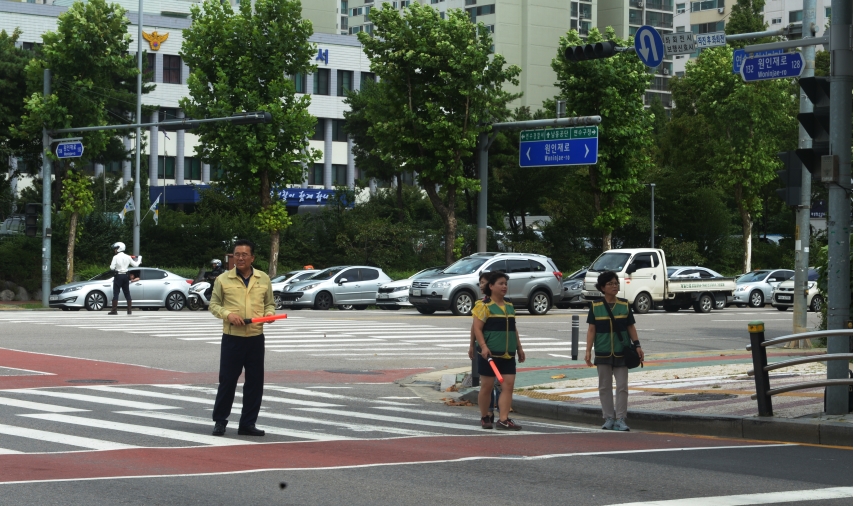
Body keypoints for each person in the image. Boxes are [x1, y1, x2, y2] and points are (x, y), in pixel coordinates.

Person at [209, 239, 275, 437]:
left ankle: (247, 423)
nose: (240, 258)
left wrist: (270, 314)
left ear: (252, 257)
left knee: (255, 382)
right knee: (228, 380)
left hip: (255, 337)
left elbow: (270, 304)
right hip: (232, 338)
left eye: (244, 254)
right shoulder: (223, 279)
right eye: (237, 254)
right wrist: (228, 314)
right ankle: (220, 421)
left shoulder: (263, 279)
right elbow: (214, 305)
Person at [584, 270, 644, 432]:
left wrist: (637, 345)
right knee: (604, 387)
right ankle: (609, 418)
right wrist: (588, 351)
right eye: (610, 283)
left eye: (616, 283)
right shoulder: (595, 306)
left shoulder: (624, 305)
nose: (614, 286)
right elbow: (591, 330)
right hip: (603, 351)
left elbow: (630, 326)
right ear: (602, 287)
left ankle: (621, 418)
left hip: (621, 351)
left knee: (622, 386)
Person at [472, 271, 526, 431]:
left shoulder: (509, 305)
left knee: (508, 385)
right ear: (491, 286)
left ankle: (503, 419)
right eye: (501, 283)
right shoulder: (483, 306)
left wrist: (519, 347)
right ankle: (484, 416)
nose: (504, 286)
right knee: (487, 386)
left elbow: (513, 329)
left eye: (505, 284)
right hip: (489, 355)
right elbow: (477, 328)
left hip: (508, 354)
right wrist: (483, 346)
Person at [469, 271, 498, 428]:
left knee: (500, 383)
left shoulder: (505, 303)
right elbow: (475, 327)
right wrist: (472, 345)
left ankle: (499, 413)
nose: (481, 286)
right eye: (479, 282)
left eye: (483, 282)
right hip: (485, 350)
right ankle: (486, 413)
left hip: (503, 351)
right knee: (488, 383)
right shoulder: (481, 304)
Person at [108, 242, 141, 315]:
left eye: (116, 248)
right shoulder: (128, 257)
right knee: (127, 293)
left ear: (119, 248)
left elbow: (112, 267)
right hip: (126, 276)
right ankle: (129, 311)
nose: (115, 250)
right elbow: (135, 265)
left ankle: (114, 310)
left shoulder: (115, 257)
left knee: (116, 293)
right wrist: (139, 259)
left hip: (118, 276)